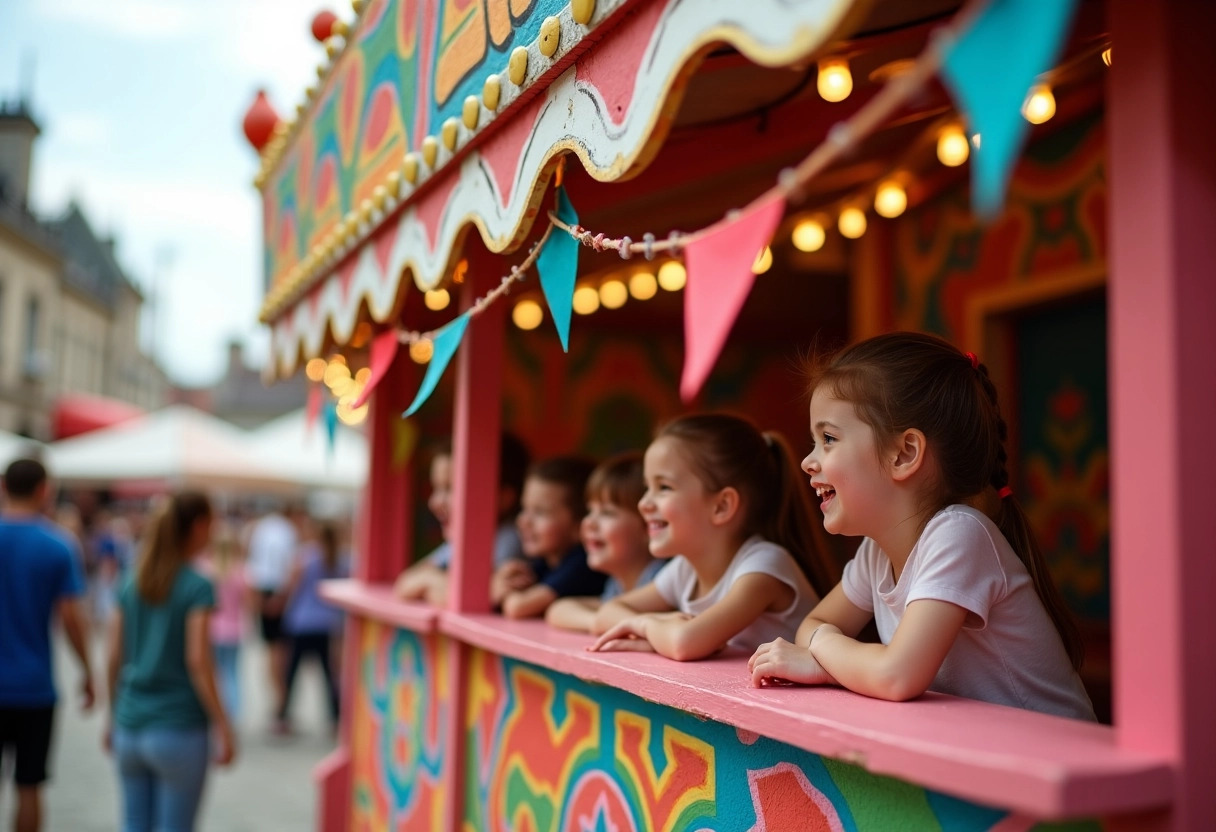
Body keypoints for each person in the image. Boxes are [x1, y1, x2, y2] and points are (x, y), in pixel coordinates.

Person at [747, 332, 1096, 721]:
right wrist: (829, 646)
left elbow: (896, 675)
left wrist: (822, 660)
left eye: (828, 439)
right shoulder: (875, 554)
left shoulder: (959, 535)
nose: (808, 462)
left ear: (904, 453)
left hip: (1056, 764)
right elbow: (815, 623)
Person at [590, 413, 835, 661]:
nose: (643, 503)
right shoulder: (684, 570)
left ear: (722, 506)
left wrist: (645, 628)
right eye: (647, 487)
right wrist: (661, 627)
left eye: (663, 487)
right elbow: (607, 613)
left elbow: (683, 643)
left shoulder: (764, 567)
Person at [105, 490, 236, 832]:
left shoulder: (130, 580)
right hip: (179, 728)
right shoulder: (198, 586)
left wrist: (111, 717)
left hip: (130, 726)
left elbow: (113, 656)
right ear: (198, 526)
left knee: (134, 823)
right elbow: (198, 660)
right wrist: (223, 723)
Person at [0, 459, 94, 832]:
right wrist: (88, 670)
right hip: (34, 686)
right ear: (45, 490)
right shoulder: (58, 545)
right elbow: (71, 617)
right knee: (29, 787)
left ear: (3, 486)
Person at [393, 434, 529, 604]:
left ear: (502, 498)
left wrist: (432, 583)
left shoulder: (509, 541)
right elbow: (405, 583)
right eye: (436, 488)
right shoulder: (462, 542)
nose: (434, 502)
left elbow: (464, 601)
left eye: (451, 488)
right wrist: (433, 581)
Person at [545, 452, 665, 632]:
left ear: (648, 526)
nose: (589, 523)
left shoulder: (663, 579)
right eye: (590, 511)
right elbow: (559, 609)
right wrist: (600, 621)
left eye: (607, 513)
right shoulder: (616, 585)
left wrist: (608, 620)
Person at [491, 457, 604, 619]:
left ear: (579, 525)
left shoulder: (583, 564)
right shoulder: (545, 562)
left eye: (540, 512)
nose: (524, 521)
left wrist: (500, 590)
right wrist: (504, 580)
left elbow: (518, 608)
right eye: (524, 508)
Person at [277, 523, 349, 735]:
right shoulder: (343, 560)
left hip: (301, 622)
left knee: (291, 673)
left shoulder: (306, 557)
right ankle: (335, 719)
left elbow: (291, 587)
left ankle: (283, 717)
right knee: (330, 675)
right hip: (328, 623)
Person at [243, 506, 299, 725]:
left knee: (272, 655)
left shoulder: (261, 529)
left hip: (266, 590)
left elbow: (253, 565)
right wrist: (282, 599)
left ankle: (279, 703)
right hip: (277, 592)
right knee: (279, 655)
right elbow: (291, 569)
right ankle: (280, 703)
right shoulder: (286, 531)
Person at [196, 518, 246, 728]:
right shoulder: (242, 571)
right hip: (234, 630)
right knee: (232, 673)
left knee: (214, 674)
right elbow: (248, 604)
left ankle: (213, 714)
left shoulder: (205, 570)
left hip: (211, 630)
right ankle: (231, 716)